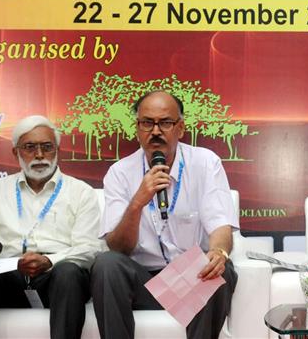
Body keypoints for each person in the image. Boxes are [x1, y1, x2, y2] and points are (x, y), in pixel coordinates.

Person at [91, 90, 238, 339]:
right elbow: (117, 247)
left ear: (180, 128)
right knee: (106, 264)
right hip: (142, 280)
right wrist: (138, 202)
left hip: (192, 279)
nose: (155, 131)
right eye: (147, 123)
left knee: (220, 268)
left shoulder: (205, 163)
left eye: (165, 123)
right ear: (137, 128)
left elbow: (220, 226)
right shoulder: (120, 172)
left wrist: (218, 252)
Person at [0, 115, 101, 339]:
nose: (40, 155)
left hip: (57, 279)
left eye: (47, 147)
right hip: (9, 277)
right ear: (16, 152)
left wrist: (49, 261)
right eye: (30, 147)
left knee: (69, 272)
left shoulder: (81, 192)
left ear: (57, 150)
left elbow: (90, 248)